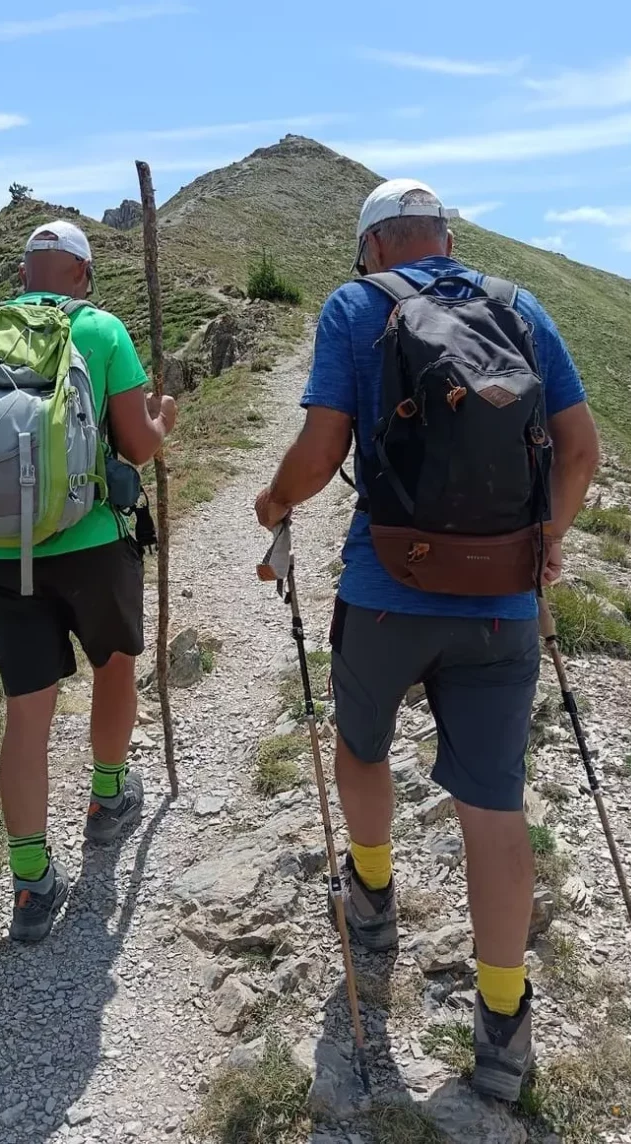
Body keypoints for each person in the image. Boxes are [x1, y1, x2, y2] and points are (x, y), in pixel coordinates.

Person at [255, 179, 599, 1101]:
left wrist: (274, 502)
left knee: (361, 746)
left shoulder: (356, 307)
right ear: (444, 237)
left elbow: (325, 448)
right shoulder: (521, 308)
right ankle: (503, 1029)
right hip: (503, 602)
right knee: (493, 807)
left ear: (372, 246)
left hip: (386, 588)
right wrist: (545, 542)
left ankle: (370, 900)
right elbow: (579, 451)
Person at [0, 220, 176, 943]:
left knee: (26, 713)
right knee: (114, 665)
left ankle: (30, 883)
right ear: (83, 275)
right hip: (90, 540)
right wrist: (163, 418)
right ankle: (109, 796)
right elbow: (140, 446)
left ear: (26, 272)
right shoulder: (102, 330)